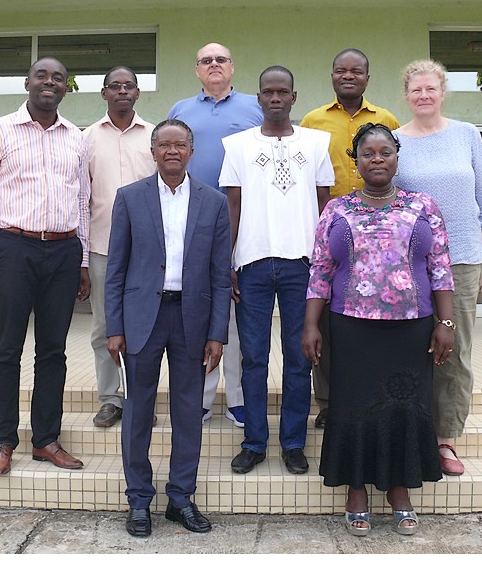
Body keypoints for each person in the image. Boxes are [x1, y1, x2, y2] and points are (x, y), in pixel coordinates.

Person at [301, 122, 455, 536]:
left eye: (385, 152)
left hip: (411, 328)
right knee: (353, 406)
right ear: (356, 161)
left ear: (396, 156)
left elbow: (440, 267)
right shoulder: (336, 209)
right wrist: (310, 324)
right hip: (350, 327)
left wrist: (445, 322)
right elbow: (321, 268)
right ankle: (356, 491)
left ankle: (399, 490)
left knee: (405, 406)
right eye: (368, 153)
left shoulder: (423, 206)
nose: (377, 159)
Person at [105, 119, 231, 537]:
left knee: (188, 413)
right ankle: (139, 501)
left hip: (191, 320)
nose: (172, 151)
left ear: (191, 152)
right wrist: (114, 327)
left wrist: (218, 334)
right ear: (153, 152)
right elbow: (117, 270)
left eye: (180, 145)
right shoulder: (130, 198)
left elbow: (219, 274)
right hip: (142, 319)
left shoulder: (212, 202)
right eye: (164, 145)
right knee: (138, 411)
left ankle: (180, 499)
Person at [0, 56, 90, 476]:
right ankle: (3, 441)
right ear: (27, 83)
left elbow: (82, 204)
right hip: (12, 249)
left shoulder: (77, 137)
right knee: (7, 349)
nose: (49, 82)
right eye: (42, 76)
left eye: (58, 77)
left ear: (65, 87)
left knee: (53, 350)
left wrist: (84, 261)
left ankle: (46, 440)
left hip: (62, 251)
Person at [219, 66, 334, 475]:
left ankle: (293, 443)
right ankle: (254, 441)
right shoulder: (236, 145)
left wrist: (326, 264)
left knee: (299, 357)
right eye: (267, 92)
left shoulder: (318, 142)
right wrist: (228, 261)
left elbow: (325, 207)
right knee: (253, 357)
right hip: (251, 264)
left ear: (294, 96)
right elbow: (232, 205)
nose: (275, 99)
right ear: (258, 97)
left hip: (301, 265)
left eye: (282, 92)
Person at [392, 59, 482, 476]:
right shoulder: (395, 140)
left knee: (456, 351)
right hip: (410, 262)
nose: (423, 95)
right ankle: (410, 429)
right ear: (406, 95)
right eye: (416, 90)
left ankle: (445, 439)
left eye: (430, 89)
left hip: (463, 258)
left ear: (442, 91)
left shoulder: (467, 135)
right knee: (410, 345)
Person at [300, 48, 400, 429]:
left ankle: (376, 390)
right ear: (331, 77)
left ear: (367, 78)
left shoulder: (386, 119)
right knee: (326, 318)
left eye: (356, 71)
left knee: (375, 317)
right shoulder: (312, 120)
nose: (348, 76)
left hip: (380, 235)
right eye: (340, 71)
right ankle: (326, 401)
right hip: (332, 231)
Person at [168, 42, 263, 428]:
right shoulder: (181, 111)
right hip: (194, 226)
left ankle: (238, 399)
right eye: (206, 60)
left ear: (232, 66)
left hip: (246, 224)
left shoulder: (253, 109)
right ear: (197, 70)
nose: (214, 65)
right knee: (201, 313)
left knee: (239, 316)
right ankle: (202, 399)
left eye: (220, 59)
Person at [83, 66, 156, 428]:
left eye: (129, 86)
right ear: (104, 93)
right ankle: (111, 399)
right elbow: (82, 198)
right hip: (102, 247)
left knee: (150, 327)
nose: (122, 91)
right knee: (104, 328)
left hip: (149, 251)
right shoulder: (87, 138)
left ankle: (143, 399)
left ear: (137, 93)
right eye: (115, 86)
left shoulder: (155, 136)